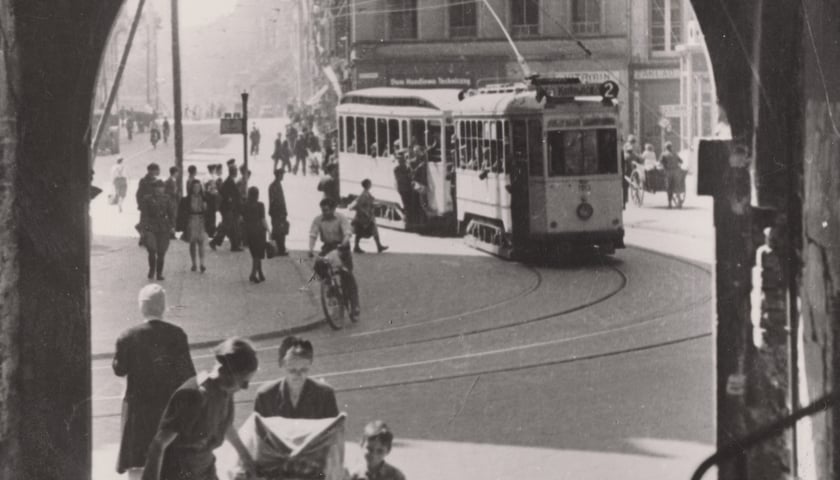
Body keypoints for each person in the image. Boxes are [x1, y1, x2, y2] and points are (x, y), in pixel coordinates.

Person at [142, 337, 259, 480]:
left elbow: (225, 425)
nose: (245, 388)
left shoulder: (225, 392)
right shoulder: (194, 395)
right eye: (243, 381)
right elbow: (158, 444)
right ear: (229, 372)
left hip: (205, 470)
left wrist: (246, 458)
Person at [113, 284, 196, 480]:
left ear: (142, 307)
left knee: (136, 461)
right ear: (163, 307)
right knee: (169, 460)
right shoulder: (177, 334)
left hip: (137, 412)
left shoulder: (127, 336)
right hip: (169, 411)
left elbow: (119, 370)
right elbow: (188, 376)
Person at [253, 336, 339, 419]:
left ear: (310, 365)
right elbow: (258, 432)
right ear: (282, 365)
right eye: (292, 370)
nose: (298, 375)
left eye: (304, 370)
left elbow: (335, 431)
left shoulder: (325, 394)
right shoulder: (265, 396)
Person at [308, 197, 359, 319]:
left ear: (333, 209)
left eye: (327, 210)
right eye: (322, 210)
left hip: (342, 246)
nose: (324, 213)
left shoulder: (341, 218)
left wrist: (344, 242)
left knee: (347, 275)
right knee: (318, 265)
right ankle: (331, 288)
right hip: (328, 247)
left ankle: (355, 305)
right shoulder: (318, 220)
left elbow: (347, 233)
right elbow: (313, 235)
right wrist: (310, 249)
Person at [139, 180, 173, 280]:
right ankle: (152, 269)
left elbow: (171, 214)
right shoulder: (147, 199)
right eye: (157, 188)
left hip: (163, 227)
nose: (159, 190)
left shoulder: (167, 198)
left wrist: (172, 226)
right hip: (150, 226)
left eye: (161, 187)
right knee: (152, 250)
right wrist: (143, 228)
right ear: (153, 189)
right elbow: (144, 215)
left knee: (162, 252)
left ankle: (159, 273)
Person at [210, 164, 243, 251]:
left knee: (231, 227)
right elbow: (224, 193)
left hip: (228, 208)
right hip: (227, 208)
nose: (236, 173)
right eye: (235, 171)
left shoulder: (229, 181)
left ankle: (234, 246)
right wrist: (230, 199)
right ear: (233, 172)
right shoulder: (229, 181)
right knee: (227, 226)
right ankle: (214, 241)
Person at [350, 179, 388, 254]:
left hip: (365, 217)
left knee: (363, 231)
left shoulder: (366, 193)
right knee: (362, 231)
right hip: (363, 217)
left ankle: (378, 246)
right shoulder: (364, 195)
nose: (371, 185)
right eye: (370, 183)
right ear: (367, 185)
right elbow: (359, 205)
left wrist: (377, 205)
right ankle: (378, 246)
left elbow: (369, 204)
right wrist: (365, 213)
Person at [242, 186, 268, 283]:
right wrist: (268, 230)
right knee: (258, 254)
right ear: (257, 195)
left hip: (248, 232)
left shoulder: (245, 205)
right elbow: (263, 219)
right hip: (259, 231)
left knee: (255, 253)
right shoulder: (260, 205)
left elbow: (242, 218)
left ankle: (260, 273)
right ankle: (253, 274)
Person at [183, 180, 208, 272]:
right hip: (191, 220)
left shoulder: (204, 198)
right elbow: (184, 211)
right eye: (194, 187)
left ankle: (202, 263)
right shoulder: (187, 199)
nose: (196, 189)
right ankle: (194, 263)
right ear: (191, 188)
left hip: (201, 220)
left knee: (201, 242)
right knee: (192, 242)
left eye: (198, 187)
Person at [268, 169, 289, 256]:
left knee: (278, 231)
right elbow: (276, 201)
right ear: (278, 175)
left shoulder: (275, 185)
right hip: (277, 212)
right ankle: (280, 249)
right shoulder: (274, 186)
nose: (283, 176)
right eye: (282, 174)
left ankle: (276, 249)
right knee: (279, 231)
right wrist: (281, 213)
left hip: (277, 212)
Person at [660, 142, 684, 208]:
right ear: (671, 147)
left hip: (668, 172)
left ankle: (670, 203)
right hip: (676, 172)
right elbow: (681, 161)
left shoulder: (664, 154)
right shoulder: (675, 153)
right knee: (677, 187)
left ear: (665, 147)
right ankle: (679, 201)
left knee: (669, 187)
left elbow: (661, 162)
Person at [393, 153, 414, 224]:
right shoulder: (397, 169)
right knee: (406, 204)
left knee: (409, 204)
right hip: (403, 188)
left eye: (402, 160)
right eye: (400, 160)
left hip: (407, 188)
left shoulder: (406, 167)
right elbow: (400, 178)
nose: (402, 161)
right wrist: (408, 176)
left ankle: (409, 219)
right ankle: (407, 220)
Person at [203, 165, 220, 238]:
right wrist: (216, 192)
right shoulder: (209, 178)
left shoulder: (209, 177)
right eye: (214, 169)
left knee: (210, 215)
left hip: (210, 198)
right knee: (211, 216)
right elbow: (210, 189)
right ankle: (210, 231)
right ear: (212, 169)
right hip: (210, 198)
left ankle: (210, 230)